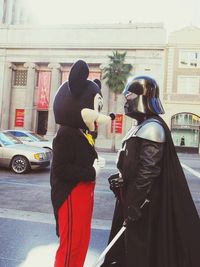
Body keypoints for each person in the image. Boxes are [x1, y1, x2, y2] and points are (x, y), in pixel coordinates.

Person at [101, 76, 200, 267]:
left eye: (129, 94)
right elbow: (133, 166)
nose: (126, 99)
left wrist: (135, 203)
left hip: (145, 206)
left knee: (142, 251)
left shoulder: (153, 128)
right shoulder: (140, 127)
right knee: (128, 250)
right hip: (132, 200)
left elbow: (148, 171)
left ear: (141, 96)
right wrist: (122, 181)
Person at [50, 60, 112, 267]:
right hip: (70, 193)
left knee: (81, 241)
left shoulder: (81, 132)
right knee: (71, 246)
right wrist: (91, 172)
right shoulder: (66, 133)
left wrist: (94, 162)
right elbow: (60, 169)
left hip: (82, 194)